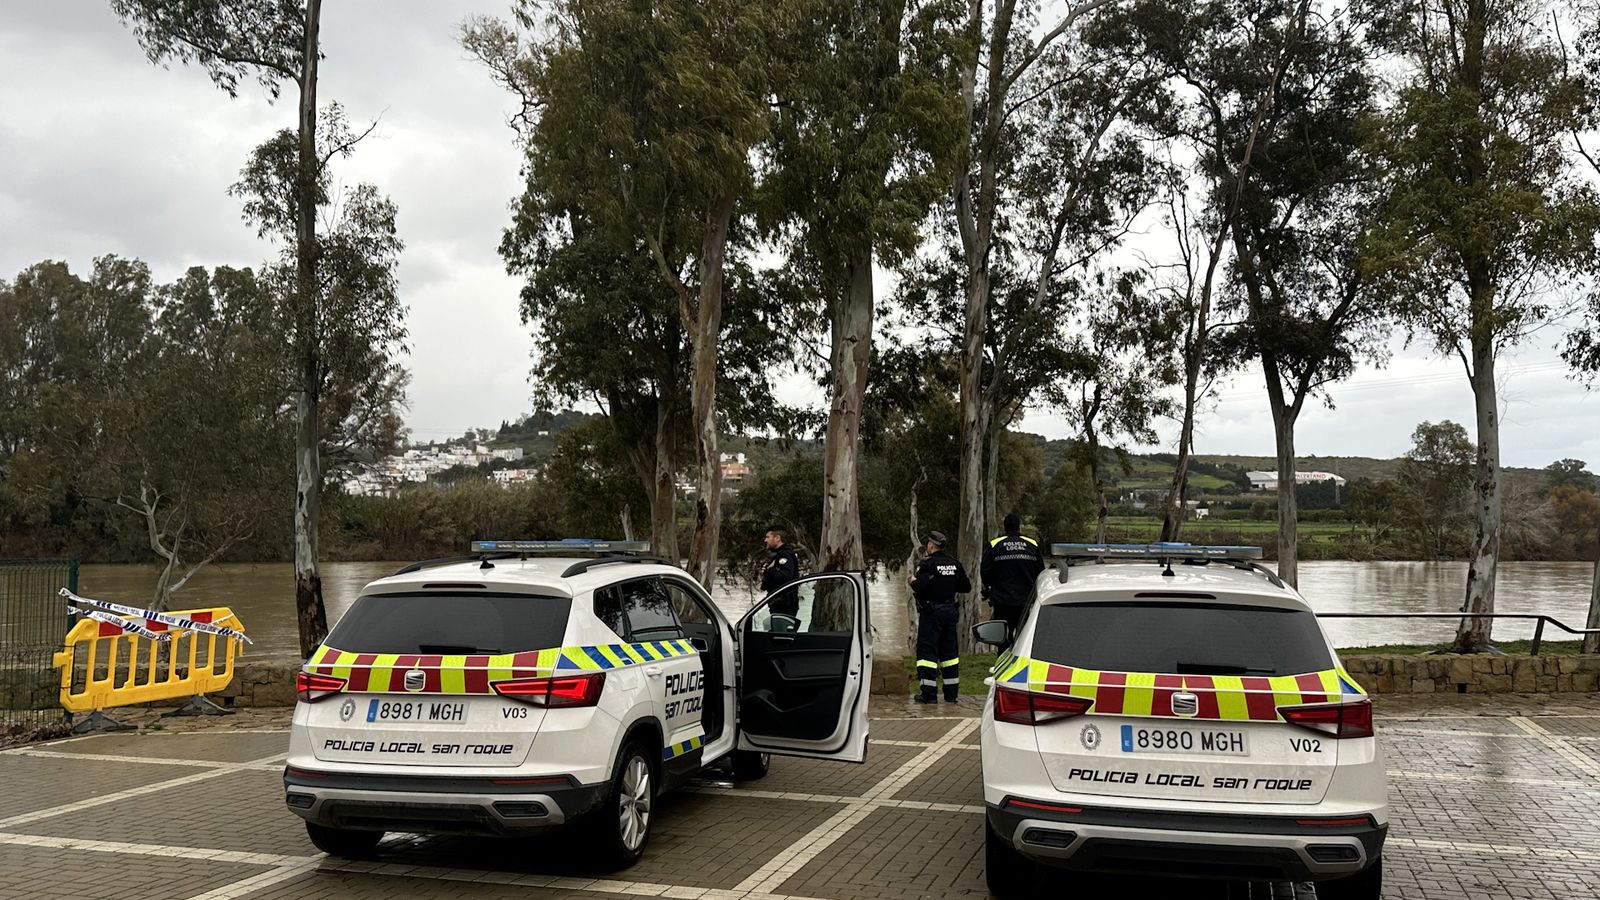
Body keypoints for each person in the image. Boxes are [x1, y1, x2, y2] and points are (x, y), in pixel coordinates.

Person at [908, 531, 971, 704]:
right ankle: (951, 695)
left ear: (930, 545)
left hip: (932, 612)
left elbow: (920, 586)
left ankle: (929, 694)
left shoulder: (928, 564)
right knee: (950, 654)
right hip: (950, 612)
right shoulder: (954, 564)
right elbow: (966, 587)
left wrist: (912, 580)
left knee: (927, 653)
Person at [980, 512, 1044, 640]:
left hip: (1002, 601)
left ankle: (1003, 657)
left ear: (1005, 527)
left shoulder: (995, 545)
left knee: (1002, 638)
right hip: (1025, 601)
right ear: (1019, 527)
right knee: (1024, 637)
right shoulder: (1032, 544)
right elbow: (1041, 572)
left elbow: (985, 571)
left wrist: (989, 589)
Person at [762, 527, 802, 621]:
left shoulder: (785, 555)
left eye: (768, 537)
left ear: (777, 538)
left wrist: (770, 570)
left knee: (781, 632)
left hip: (784, 605)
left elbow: (784, 578)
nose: (765, 540)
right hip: (779, 604)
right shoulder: (778, 555)